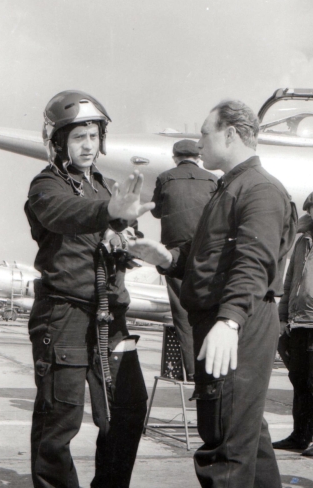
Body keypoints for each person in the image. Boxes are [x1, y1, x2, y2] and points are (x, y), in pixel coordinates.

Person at [128, 100, 298, 488]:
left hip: (238, 321)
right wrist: (168, 258)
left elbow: (255, 261)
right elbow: (210, 253)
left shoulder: (259, 190)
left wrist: (229, 320)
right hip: (228, 318)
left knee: (224, 446)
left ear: (231, 134)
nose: (199, 142)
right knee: (247, 439)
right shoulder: (229, 188)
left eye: (206, 132)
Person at [24, 90, 154, 488]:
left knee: (128, 411)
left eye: (94, 136)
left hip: (110, 316)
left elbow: (119, 224)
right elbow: (63, 214)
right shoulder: (46, 186)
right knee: (58, 423)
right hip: (64, 315)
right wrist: (109, 214)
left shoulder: (106, 187)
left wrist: (127, 241)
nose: (88, 145)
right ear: (59, 141)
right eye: (79, 137)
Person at [151, 139, 217, 379]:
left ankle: (193, 373)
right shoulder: (212, 179)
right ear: (198, 157)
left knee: (183, 314)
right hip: (206, 251)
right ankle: (212, 372)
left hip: (176, 255)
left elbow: (157, 211)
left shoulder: (165, 177)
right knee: (209, 310)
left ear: (174, 157)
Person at [272, 192, 313, 457]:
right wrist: (283, 316)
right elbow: (290, 282)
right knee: (299, 381)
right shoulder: (302, 242)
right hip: (297, 324)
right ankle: (300, 436)